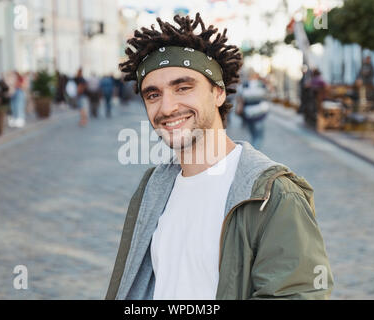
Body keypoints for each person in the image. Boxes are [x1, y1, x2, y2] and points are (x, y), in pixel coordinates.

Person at [106, 13, 333, 300]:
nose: (167, 107)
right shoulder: (153, 188)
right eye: (153, 95)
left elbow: (298, 293)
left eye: (183, 88)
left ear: (218, 93)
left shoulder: (274, 195)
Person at [235, 72, 269, 150]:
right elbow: (268, 94)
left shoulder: (244, 85)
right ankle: (255, 152)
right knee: (259, 136)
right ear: (256, 76)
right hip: (259, 113)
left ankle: (253, 150)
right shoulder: (261, 84)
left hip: (248, 113)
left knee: (253, 135)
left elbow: (239, 98)